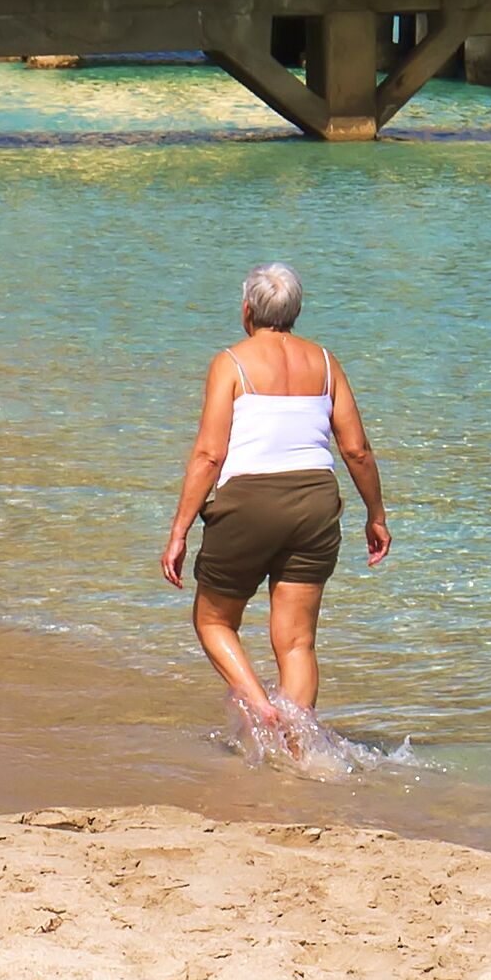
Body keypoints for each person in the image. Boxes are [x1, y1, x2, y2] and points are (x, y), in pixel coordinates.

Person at [161, 262, 388, 756]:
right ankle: (299, 746)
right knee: (298, 643)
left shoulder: (231, 363)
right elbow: (356, 450)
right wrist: (376, 514)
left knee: (214, 621)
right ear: (297, 311)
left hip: (248, 503)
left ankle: (261, 708)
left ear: (246, 310)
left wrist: (180, 529)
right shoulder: (327, 363)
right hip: (315, 503)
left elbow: (208, 455)